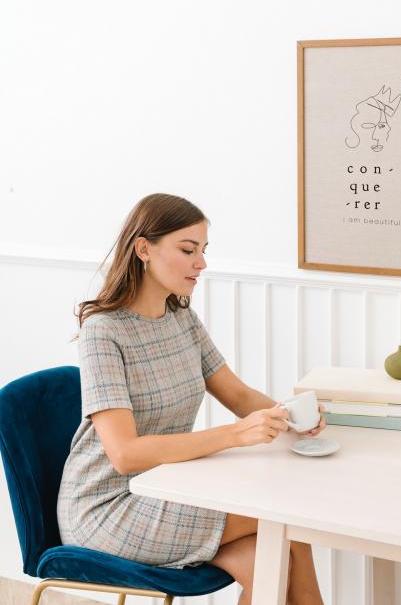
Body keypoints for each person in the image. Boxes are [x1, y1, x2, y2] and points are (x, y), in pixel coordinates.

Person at [57, 193, 325, 605]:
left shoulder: (182, 319)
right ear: (143, 248)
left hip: (167, 488)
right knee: (284, 523)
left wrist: (292, 417)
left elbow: (235, 393)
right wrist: (235, 435)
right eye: (187, 250)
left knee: (279, 558)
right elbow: (125, 455)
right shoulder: (103, 332)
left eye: (202, 250)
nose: (201, 263)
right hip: (109, 506)